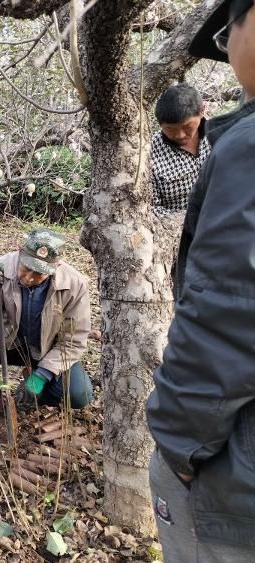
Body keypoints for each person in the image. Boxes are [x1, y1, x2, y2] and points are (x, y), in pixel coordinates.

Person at [146, 0, 255, 559]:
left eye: (189, 130)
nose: (184, 141)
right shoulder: (156, 158)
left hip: (235, 464)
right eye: (174, 134)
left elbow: (228, 314)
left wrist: (177, 443)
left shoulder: (239, 143)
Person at [0, 229, 93, 422]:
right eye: (26, 268)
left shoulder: (75, 284)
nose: (29, 277)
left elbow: (73, 341)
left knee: (80, 395)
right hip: (9, 342)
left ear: (56, 267)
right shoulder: (0, 269)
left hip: (47, 349)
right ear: (20, 251)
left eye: (39, 273)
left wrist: (42, 375)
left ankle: (36, 381)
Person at [151, 84, 211, 218]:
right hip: (179, 232)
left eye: (187, 127)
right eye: (171, 130)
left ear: (202, 111)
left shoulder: (221, 134)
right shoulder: (150, 153)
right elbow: (152, 210)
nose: (180, 135)